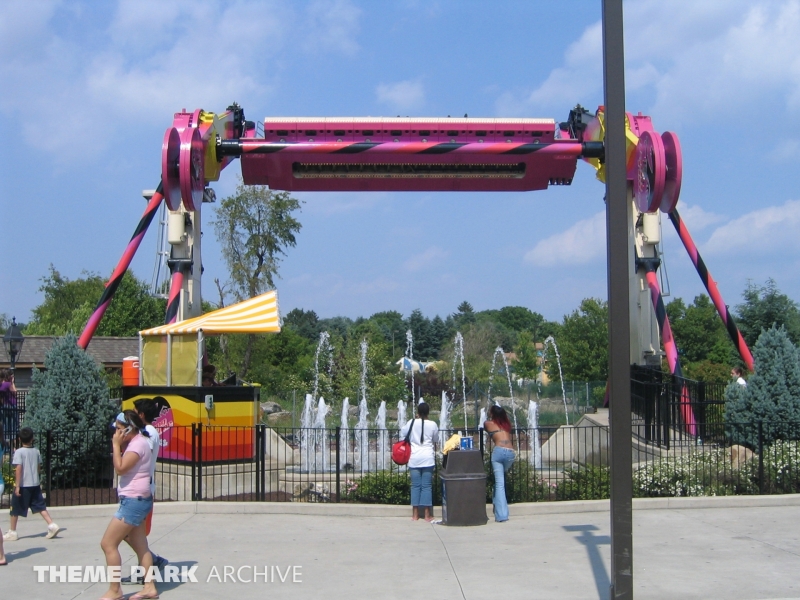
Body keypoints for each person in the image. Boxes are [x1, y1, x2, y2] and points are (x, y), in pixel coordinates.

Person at [98, 410, 158, 600]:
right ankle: (150, 587)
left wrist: (116, 445)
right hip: (139, 500)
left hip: (133, 502)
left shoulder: (136, 445)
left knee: (108, 544)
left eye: (118, 429)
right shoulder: (138, 442)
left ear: (128, 429)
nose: (115, 433)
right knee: (141, 547)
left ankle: (115, 590)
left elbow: (121, 468)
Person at [120, 398, 168, 585]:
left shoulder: (147, 434)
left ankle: (149, 563)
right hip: (136, 490)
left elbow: (138, 456)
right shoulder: (148, 432)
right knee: (132, 534)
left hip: (139, 492)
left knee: (133, 534)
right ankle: (151, 561)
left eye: (134, 411)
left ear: (140, 414)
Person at [3, 427, 60, 542]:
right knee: (40, 506)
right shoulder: (36, 451)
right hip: (34, 483)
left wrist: (17, 485)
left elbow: (18, 469)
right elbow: (39, 467)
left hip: (23, 485)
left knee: (15, 508)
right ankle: (52, 525)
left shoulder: (19, 452)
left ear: (19, 439)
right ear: (32, 438)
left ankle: (12, 532)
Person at [399, 401, 439, 522]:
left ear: (418, 412)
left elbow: (403, 433)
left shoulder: (411, 423)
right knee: (426, 486)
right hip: (427, 457)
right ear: (428, 412)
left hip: (414, 458)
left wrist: (414, 419)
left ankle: (415, 514)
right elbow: (436, 439)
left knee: (415, 486)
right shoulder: (433, 424)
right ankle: (427, 514)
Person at [483, 404, 515, 523]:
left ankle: (501, 515)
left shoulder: (488, 424)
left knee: (499, 483)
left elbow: (485, 426)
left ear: (492, 414)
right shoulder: (506, 425)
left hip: (499, 451)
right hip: (511, 453)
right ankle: (497, 507)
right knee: (500, 483)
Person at [0, 369, 18, 453]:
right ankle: (13, 448)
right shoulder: (7, 384)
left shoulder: (1, 385)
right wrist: (12, 382)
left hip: (4, 406)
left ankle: (7, 448)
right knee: (13, 427)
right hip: (11, 406)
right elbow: (15, 392)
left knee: (6, 427)